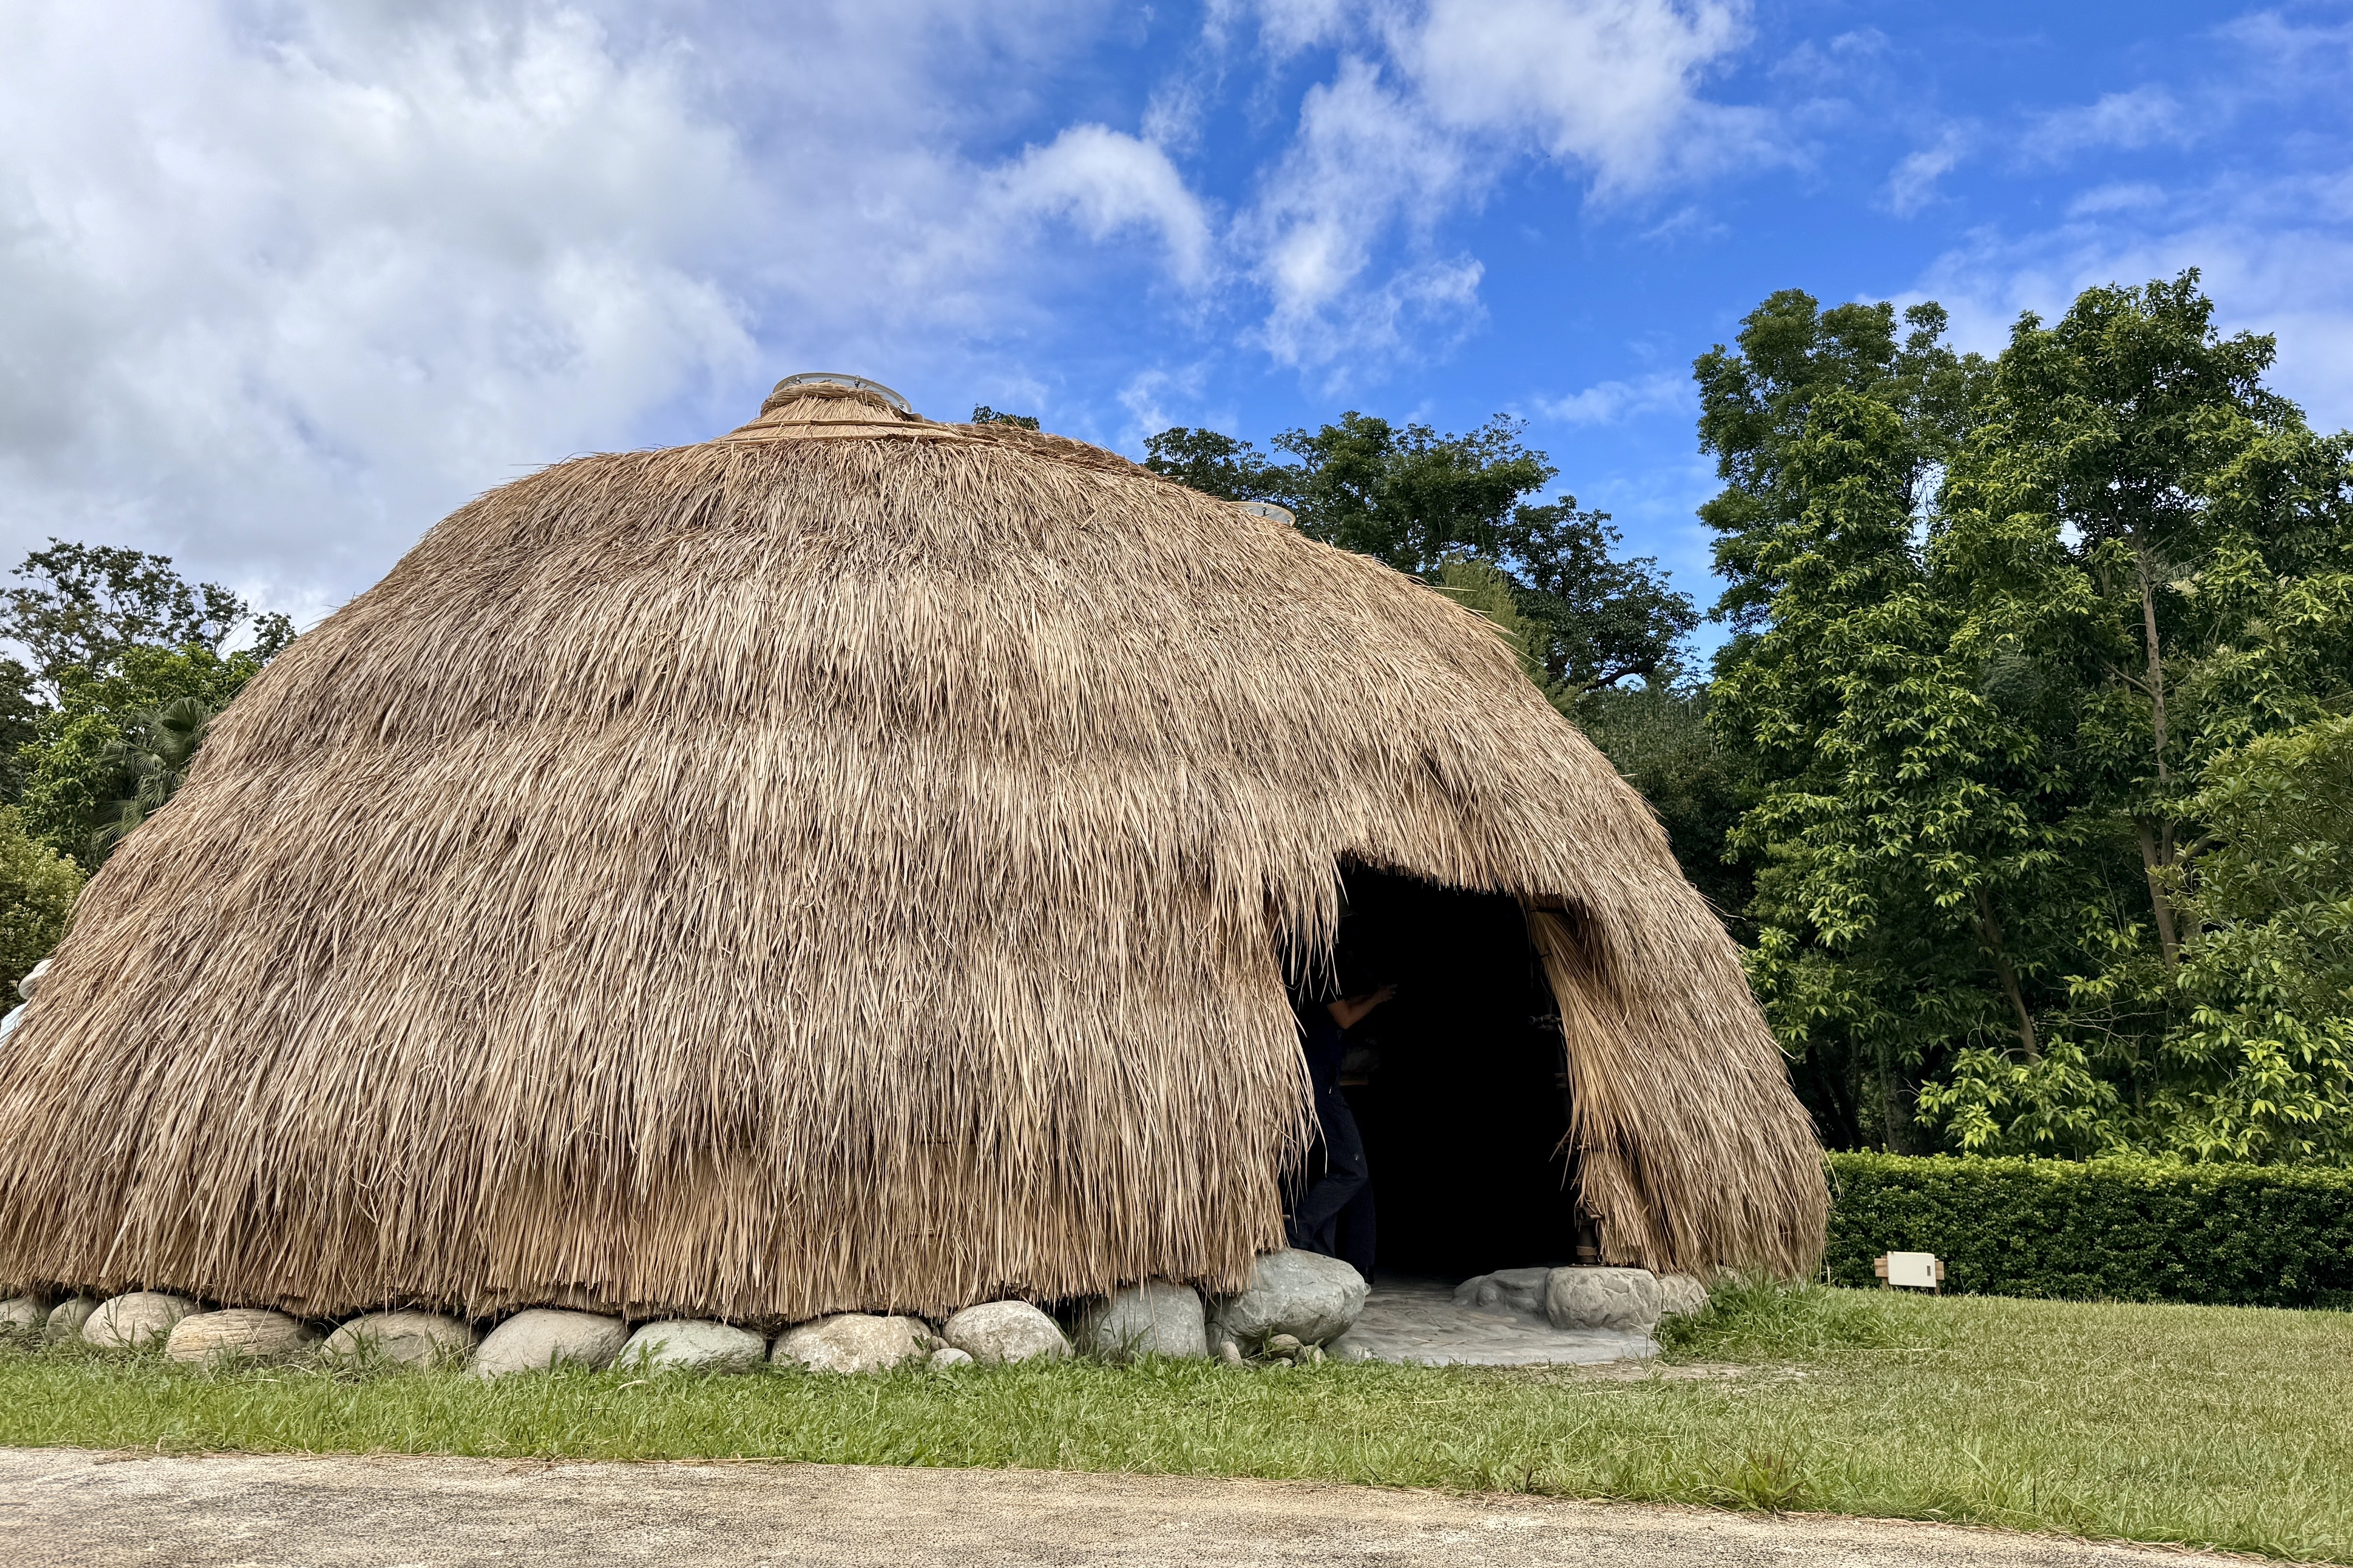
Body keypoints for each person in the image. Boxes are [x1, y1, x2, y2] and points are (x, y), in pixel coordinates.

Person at [1286, 978, 1395, 1277]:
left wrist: (1373, 995)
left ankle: (1320, 1251)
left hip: (1319, 1082)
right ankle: (1297, 1231)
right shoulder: (1319, 976)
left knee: (1328, 1168)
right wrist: (1376, 998)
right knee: (1353, 1169)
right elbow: (1345, 1017)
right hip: (1320, 1083)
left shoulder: (1310, 980)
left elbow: (1343, 1006)